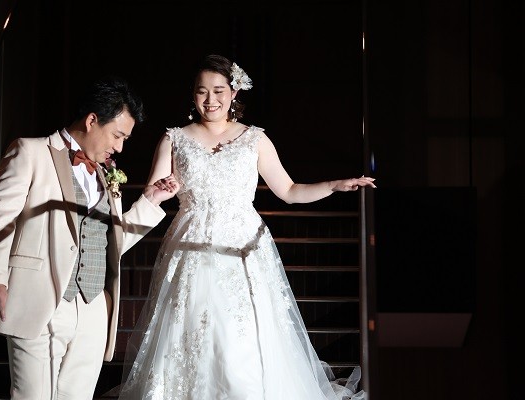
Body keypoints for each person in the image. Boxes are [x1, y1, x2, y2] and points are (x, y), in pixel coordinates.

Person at [118, 55, 375, 400]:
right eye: (202, 91)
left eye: (218, 90)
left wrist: (334, 185)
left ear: (234, 92)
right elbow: (153, 194)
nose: (210, 100)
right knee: (190, 332)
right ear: (193, 95)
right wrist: (161, 190)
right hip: (191, 245)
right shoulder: (174, 139)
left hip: (243, 248)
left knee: (241, 342)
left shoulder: (254, 139)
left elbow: (289, 191)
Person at [0, 75, 180, 400]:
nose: (119, 147)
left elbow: (110, 243)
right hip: (40, 297)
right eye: (117, 135)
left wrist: (151, 201)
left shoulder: (106, 174)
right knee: (33, 395)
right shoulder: (31, 152)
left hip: (93, 305)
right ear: (91, 120)